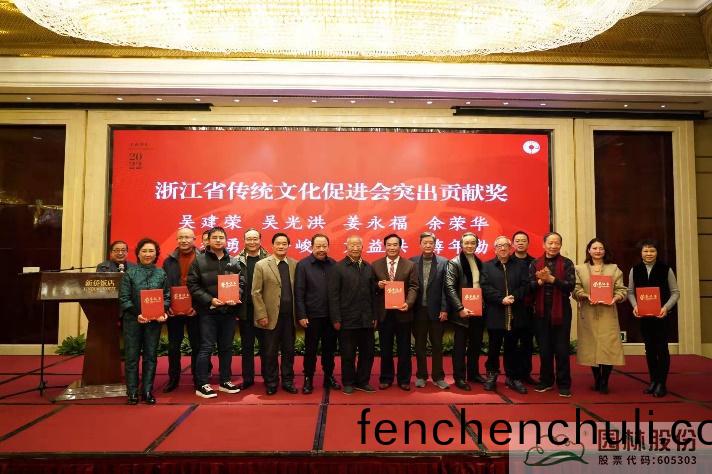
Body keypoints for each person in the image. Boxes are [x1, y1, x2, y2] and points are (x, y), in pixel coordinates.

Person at [187, 226, 244, 398]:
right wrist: (209, 300)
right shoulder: (199, 261)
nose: (218, 240)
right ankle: (202, 384)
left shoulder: (233, 261)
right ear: (208, 241)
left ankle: (225, 381)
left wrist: (236, 295)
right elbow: (192, 285)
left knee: (226, 348)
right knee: (206, 347)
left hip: (228, 312)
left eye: (221, 237)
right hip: (208, 312)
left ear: (226, 240)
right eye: (215, 238)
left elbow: (241, 282)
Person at [118, 238, 169, 405]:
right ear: (138, 254)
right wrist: (137, 314)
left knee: (150, 356)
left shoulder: (161, 273)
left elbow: (166, 297)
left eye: (151, 251)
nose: (148, 254)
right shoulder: (129, 273)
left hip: (154, 322)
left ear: (156, 254)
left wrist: (163, 311)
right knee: (131, 357)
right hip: (133, 321)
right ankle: (132, 392)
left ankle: (147, 391)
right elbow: (124, 298)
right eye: (144, 251)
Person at [573, 238, 627, 394]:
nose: (597, 251)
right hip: (588, 313)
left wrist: (615, 298)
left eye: (600, 248)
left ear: (605, 251)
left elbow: (622, 290)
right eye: (594, 248)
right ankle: (597, 379)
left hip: (608, 313)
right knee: (591, 347)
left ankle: (604, 381)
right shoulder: (579, 269)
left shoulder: (614, 269)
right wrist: (585, 295)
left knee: (608, 347)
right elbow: (575, 289)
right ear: (589, 251)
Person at [627, 239, 680, 398]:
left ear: (657, 252)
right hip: (644, 317)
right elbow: (630, 292)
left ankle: (661, 383)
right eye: (646, 251)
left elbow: (675, 293)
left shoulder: (666, 269)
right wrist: (635, 306)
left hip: (661, 316)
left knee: (662, 349)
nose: (649, 254)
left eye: (652, 251)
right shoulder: (635, 269)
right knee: (649, 349)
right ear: (641, 253)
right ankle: (653, 381)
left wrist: (666, 308)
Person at [480, 236, 531, 394]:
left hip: (515, 312)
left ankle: (512, 377)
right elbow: (484, 287)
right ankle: (492, 374)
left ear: (510, 248)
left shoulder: (520, 266)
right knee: (493, 347)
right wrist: (501, 299)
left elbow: (526, 285)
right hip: (495, 312)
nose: (503, 248)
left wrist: (513, 297)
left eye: (506, 246)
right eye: (499, 246)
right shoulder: (487, 266)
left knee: (512, 347)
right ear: (495, 249)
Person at [328, 235, 377, 395]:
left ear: (362, 247)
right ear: (347, 247)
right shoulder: (338, 268)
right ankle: (348, 382)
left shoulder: (368, 267)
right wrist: (336, 318)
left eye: (358, 245)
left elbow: (373, 294)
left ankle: (363, 381)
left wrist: (374, 316)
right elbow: (333, 296)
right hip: (346, 320)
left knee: (367, 353)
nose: (355, 248)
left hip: (366, 319)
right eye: (352, 245)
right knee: (348, 354)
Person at [529, 232, 576, 397]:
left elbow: (570, 286)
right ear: (544, 245)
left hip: (561, 310)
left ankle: (564, 384)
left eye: (557, 243)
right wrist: (540, 281)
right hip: (541, 311)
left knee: (562, 349)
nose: (553, 246)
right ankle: (546, 380)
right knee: (544, 348)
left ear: (560, 245)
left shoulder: (567, 263)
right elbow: (530, 286)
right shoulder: (535, 263)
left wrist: (552, 279)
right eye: (550, 243)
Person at [252, 232, 298, 395]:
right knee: (270, 352)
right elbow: (256, 292)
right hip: (270, 317)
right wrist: (261, 315)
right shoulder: (262, 265)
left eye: (284, 243)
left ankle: (287, 381)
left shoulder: (294, 264)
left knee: (289, 351)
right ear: (272, 245)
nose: (281, 246)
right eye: (278, 243)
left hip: (290, 317)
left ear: (288, 246)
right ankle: (271, 382)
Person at [295, 233, 340, 394]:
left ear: (328, 247)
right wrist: (301, 315)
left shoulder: (334, 264)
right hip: (311, 316)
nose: (321, 249)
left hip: (330, 317)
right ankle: (308, 378)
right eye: (318, 246)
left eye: (324, 246)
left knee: (329, 350)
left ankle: (329, 376)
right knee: (310, 350)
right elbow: (299, 292)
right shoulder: (303, 265)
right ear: (312, 247)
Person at [373, 233, 419, 391]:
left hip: (403, 312)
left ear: (400, 246)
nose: (392, 247)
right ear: (384, 246)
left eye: (395, 245)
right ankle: (386, 378)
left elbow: (414, 286)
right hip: (384, 314)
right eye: (389, 245)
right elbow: (370, 287)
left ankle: (404, 379)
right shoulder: (376, 265)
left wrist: (409, 303)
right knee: (385, 349)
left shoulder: (410, 265)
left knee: (404, 349)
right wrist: (377, 285)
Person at [162, 227, 206, 393]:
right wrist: (167, 306)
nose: (184, 240)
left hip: (195, 309)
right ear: (177, 240)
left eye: (187, 237)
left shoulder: (203, 259)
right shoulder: (169, 261)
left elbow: (206, 285)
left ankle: (198, 379)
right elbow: (165, 286)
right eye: (181, 237)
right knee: (173, 347)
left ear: (194, 239)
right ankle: (173, 379)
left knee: (197, 346)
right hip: (174, 310)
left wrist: (197, 306)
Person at [444, 232, 485, 391]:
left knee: (476, 344)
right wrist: (460, 308)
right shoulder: (454, 263)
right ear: (461, 245)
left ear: (477, 245)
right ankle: (459, 377)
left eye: (472, 243)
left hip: (477, 310)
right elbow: (449, 287)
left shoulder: (479, 262)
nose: (469, 245)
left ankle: (473, 374)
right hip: (461, 312)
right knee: (460, 347)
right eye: (466, 243)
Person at [409, 232, 449, 389]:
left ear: (435, 245)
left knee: (437, 345)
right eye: (425, 242)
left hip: (437, 311)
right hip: (418, 310)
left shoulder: (443, 262)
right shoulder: (412, 262)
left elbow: (446, 288)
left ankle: (438, 377)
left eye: (430, 243)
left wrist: (444, 308)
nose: (427, 245)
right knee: (420, 345)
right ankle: (421, 375)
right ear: (420, 244)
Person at [235, 228, 268, 390]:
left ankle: (268, 377)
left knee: (266, 346)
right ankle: (248, 378)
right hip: (245, 310)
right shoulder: (236, 261)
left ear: (260, 240)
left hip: (264, 310)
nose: (252, 242)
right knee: (247, 347)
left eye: (255, 239)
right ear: (244, 240)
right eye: (249, 239)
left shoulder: (269, 259)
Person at [511, 230, 538, 386]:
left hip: (529, 308)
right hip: (512, 308)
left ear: (528, 243)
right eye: (518, 241)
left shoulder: (535, 263)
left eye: (523, 240)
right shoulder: (508, 261)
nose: (520, 243)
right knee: (512, 343)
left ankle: (526, 374)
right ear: (513, 244)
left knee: (527, 343)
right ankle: (513, 375)